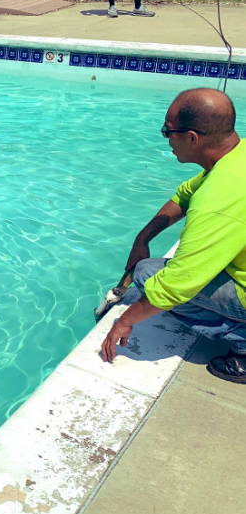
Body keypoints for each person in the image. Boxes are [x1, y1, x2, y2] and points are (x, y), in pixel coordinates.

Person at [101, 88, 246, 384]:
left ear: (192, 138)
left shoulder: (216, 201)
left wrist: (124, 322)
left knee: (148, 275)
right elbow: (184, 194)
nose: (166, 137)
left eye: (167, 131)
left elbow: (178, 284)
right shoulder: (235, 159)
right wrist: (142, 238)